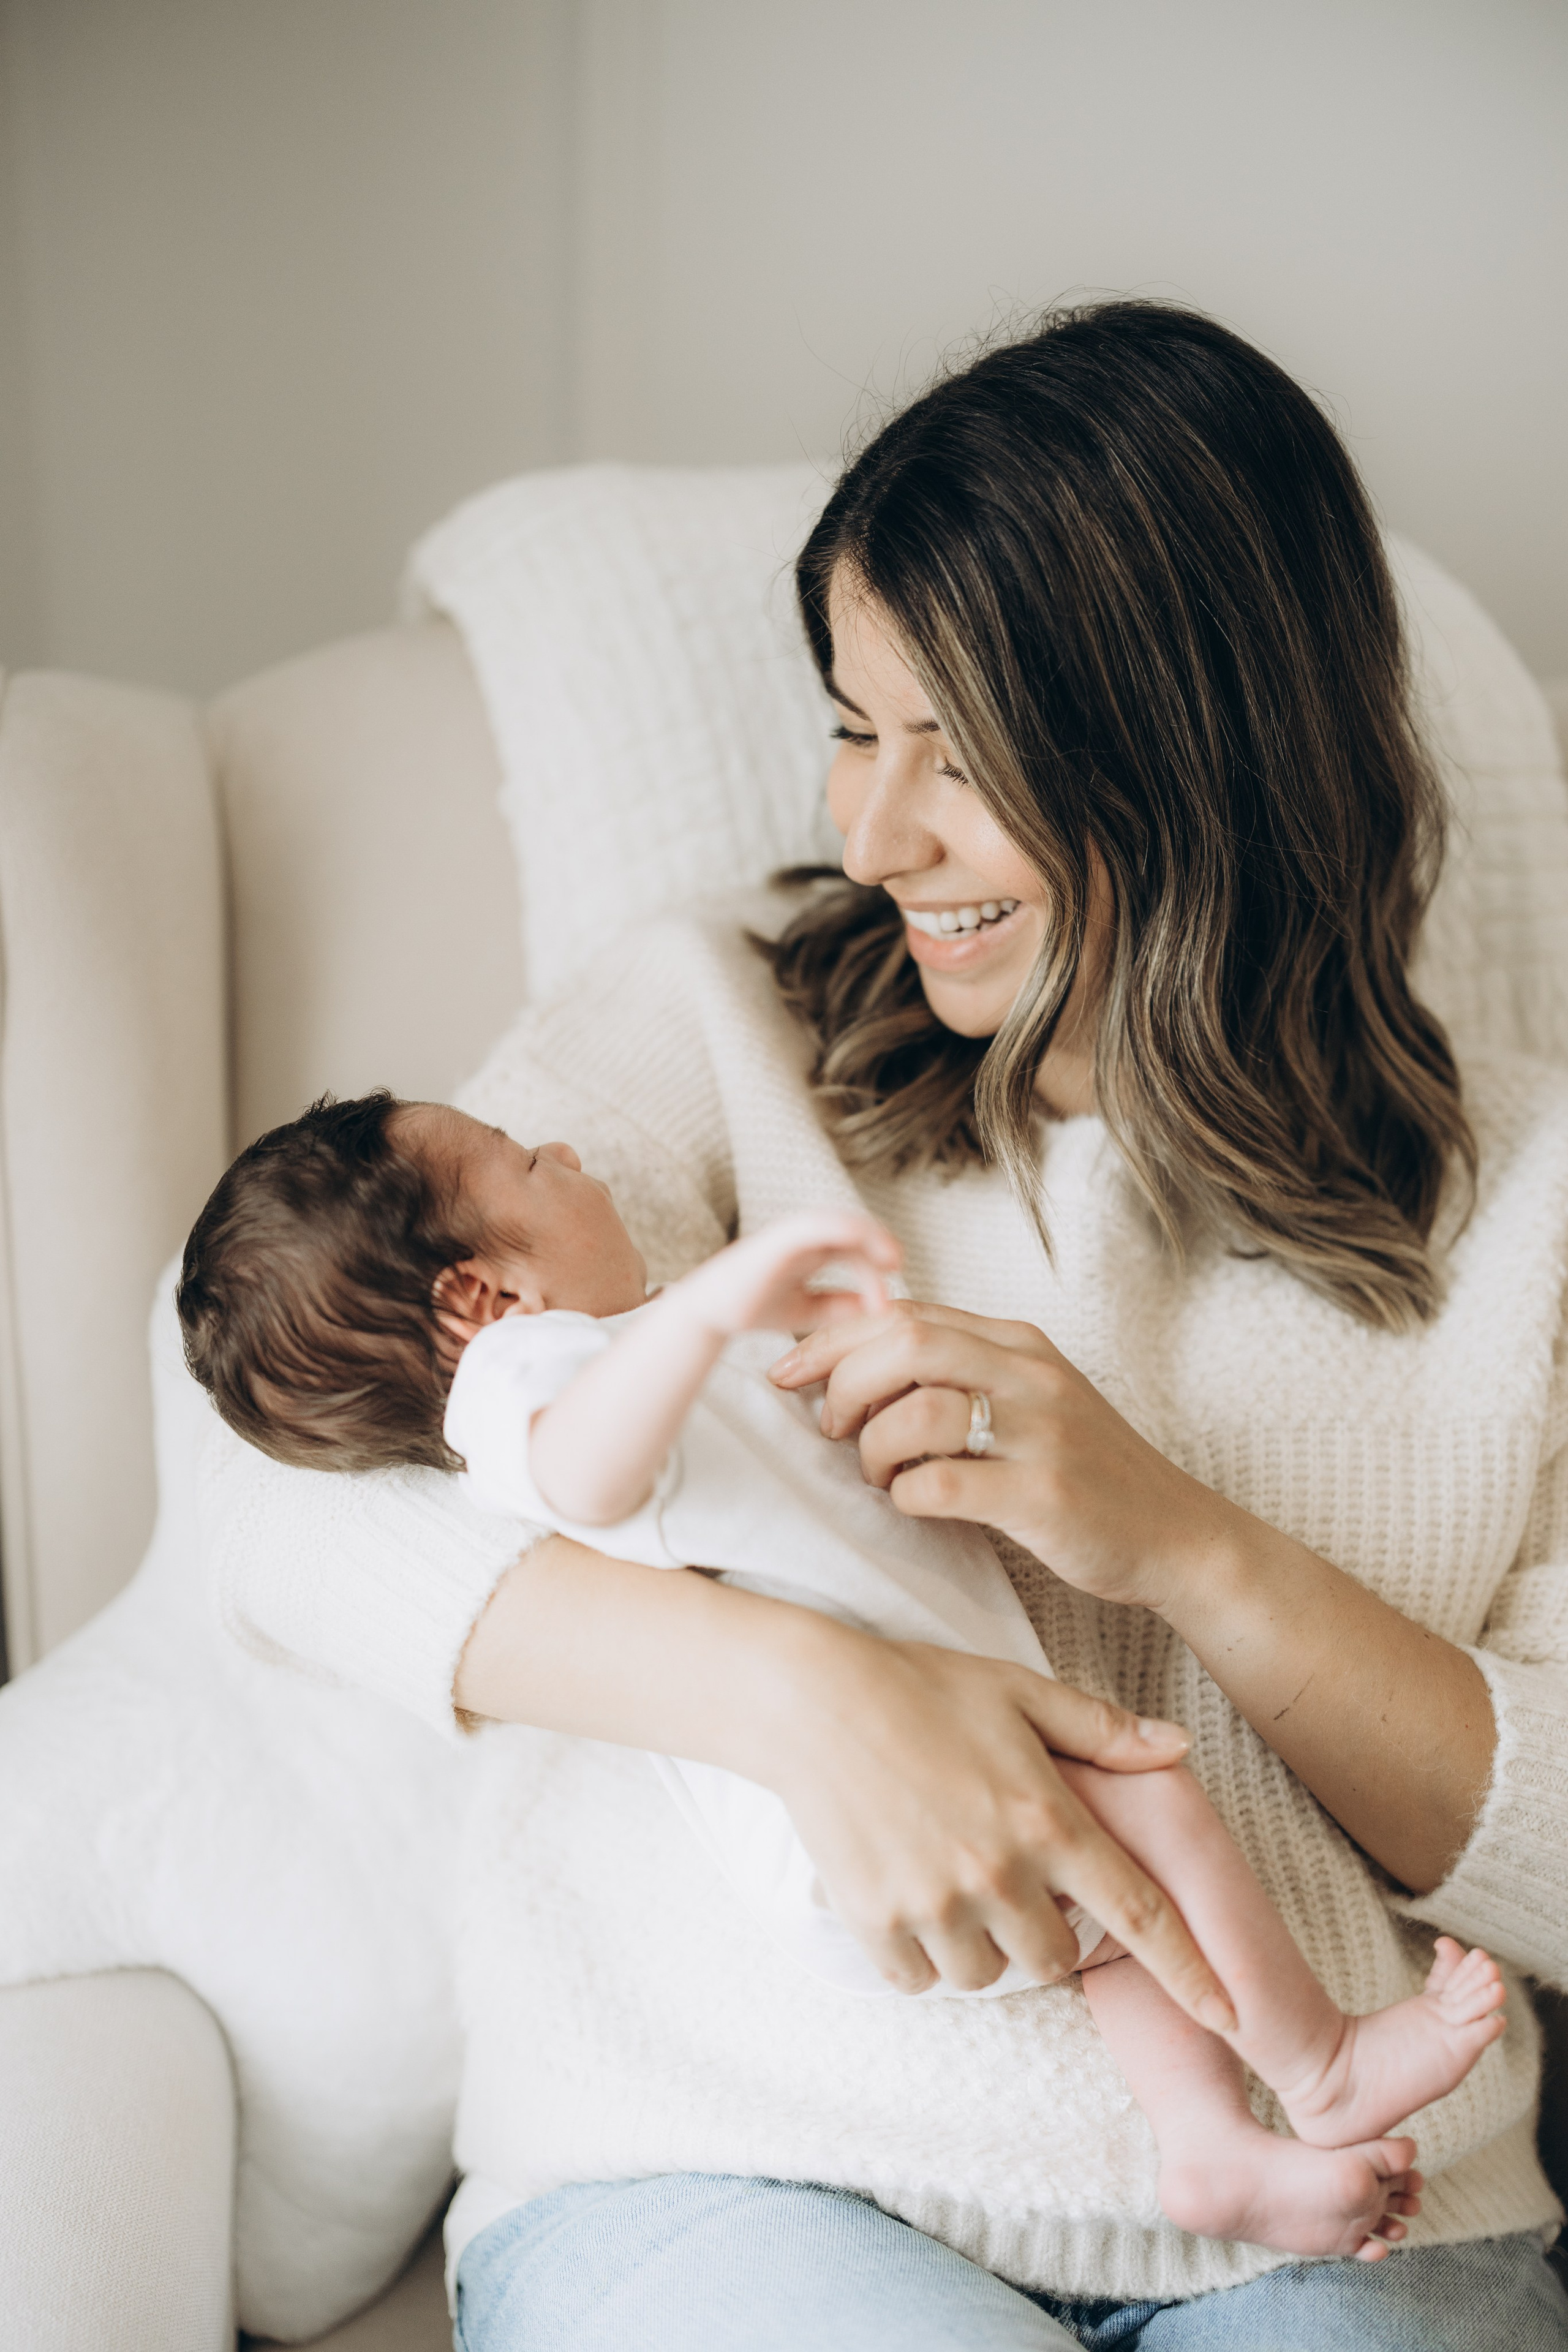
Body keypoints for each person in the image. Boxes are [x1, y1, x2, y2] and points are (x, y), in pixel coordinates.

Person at [204, 301, 1568, 2348]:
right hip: (731, 2152)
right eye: (857, 728)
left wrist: (1189, 1550)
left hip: (1354, 2210)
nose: (873, 836)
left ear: (1208, 760)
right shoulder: (706, 1023)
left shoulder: (1532, 1205)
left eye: (965, 757)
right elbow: (290, 1471)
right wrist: (808, 1700)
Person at [181, 1094, 1510, 2263]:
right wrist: (716, 1301)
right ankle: (1321, 2065)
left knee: (1111, 1934)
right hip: (854, 1820)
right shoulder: (523, 1385)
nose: (569, 1153)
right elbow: (585, 1471)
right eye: (528, 1160)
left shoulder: (602, 1351)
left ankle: (1208, 2147)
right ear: (480, 1299)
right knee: (1154, 1802)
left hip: (912, 1799)